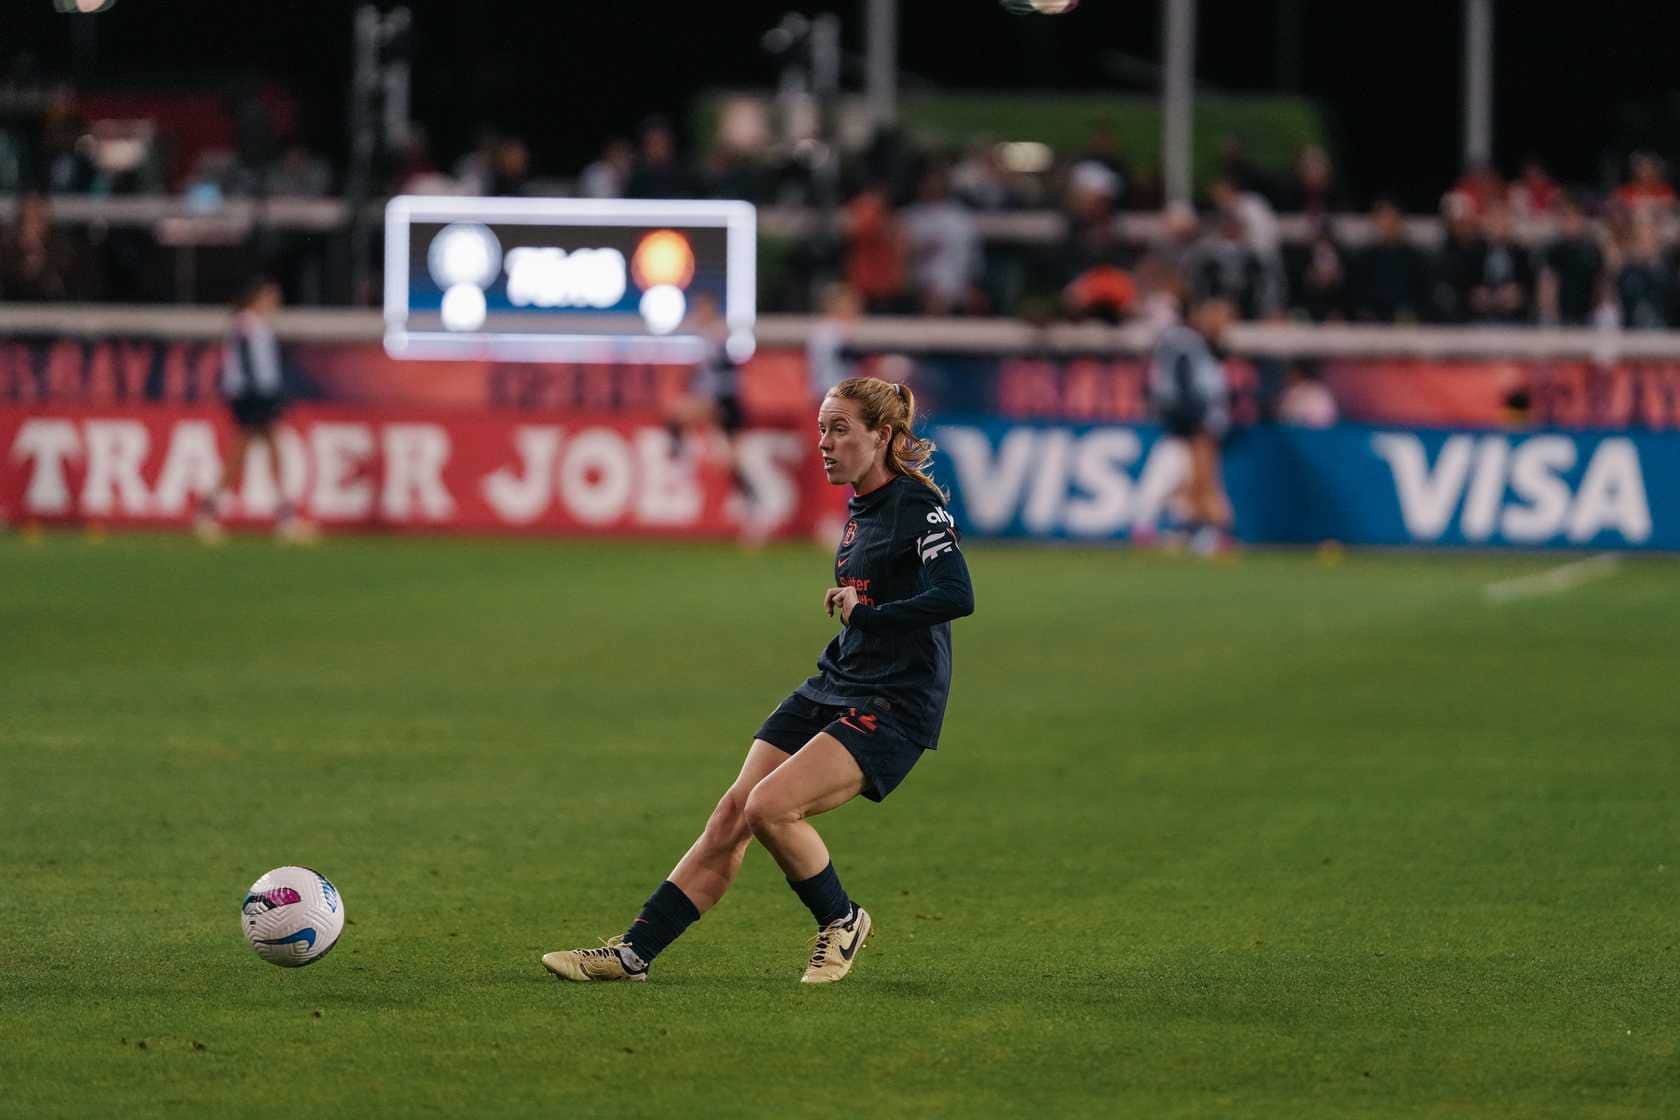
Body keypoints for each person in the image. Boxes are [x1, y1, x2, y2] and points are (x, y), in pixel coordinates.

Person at [543, 377, 975, 985]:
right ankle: (632, 955)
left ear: (882, 436)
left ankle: (843, 919)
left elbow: (957, 594)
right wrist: (858, 611)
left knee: (771, 806)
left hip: (895, 700)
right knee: (731, 815)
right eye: (821, 428)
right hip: (839, 678)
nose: (823, 442)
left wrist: (867, 615)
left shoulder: (916, 505)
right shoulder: (862, 506)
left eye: (840, 429)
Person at [195, 277, 313, 543]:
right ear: (256, 298)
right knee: (244, 454)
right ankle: (211, 512)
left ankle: (283, 517)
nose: (275, 301)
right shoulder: (247, 324)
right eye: (270, 296)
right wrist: (262, 397)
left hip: (258, 396)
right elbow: (250, 367)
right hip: (253, 397)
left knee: (259, 453)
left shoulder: (256, 325)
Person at [1147, 296, 1235, 555]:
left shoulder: (1192, 342)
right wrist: (1194, 417)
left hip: (1198, 419)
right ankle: (1208, 532)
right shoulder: (1185, 341)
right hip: (1197, 419)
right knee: (1201, 478)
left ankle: (1204, 531)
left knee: (1200, 479)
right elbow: (1186, 383)